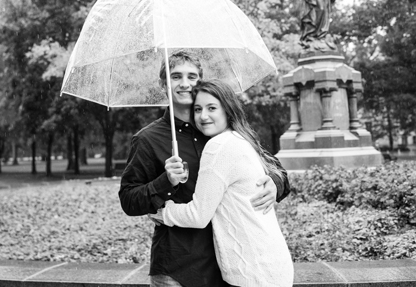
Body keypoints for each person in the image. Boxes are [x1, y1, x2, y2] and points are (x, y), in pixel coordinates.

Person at [118, 52, 290, 287]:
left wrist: (274, 183)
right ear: (163, 84)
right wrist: (164, 182)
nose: (185, 83)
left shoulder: (217, 125)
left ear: (200, 82)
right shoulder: (147, 139)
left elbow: (274, 167)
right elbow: (128, 200)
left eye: (192, 76)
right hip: (177, 266)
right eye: (176, 76)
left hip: (225, 265)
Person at [152, 79, 294, 286]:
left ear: (227, 110)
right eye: (198, 109)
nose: (203, 116)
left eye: (212, 108)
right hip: (271, 263)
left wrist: (162, 211)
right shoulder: (241, 139)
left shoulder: (218, 146)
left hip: (253, 272)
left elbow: (198, 215)